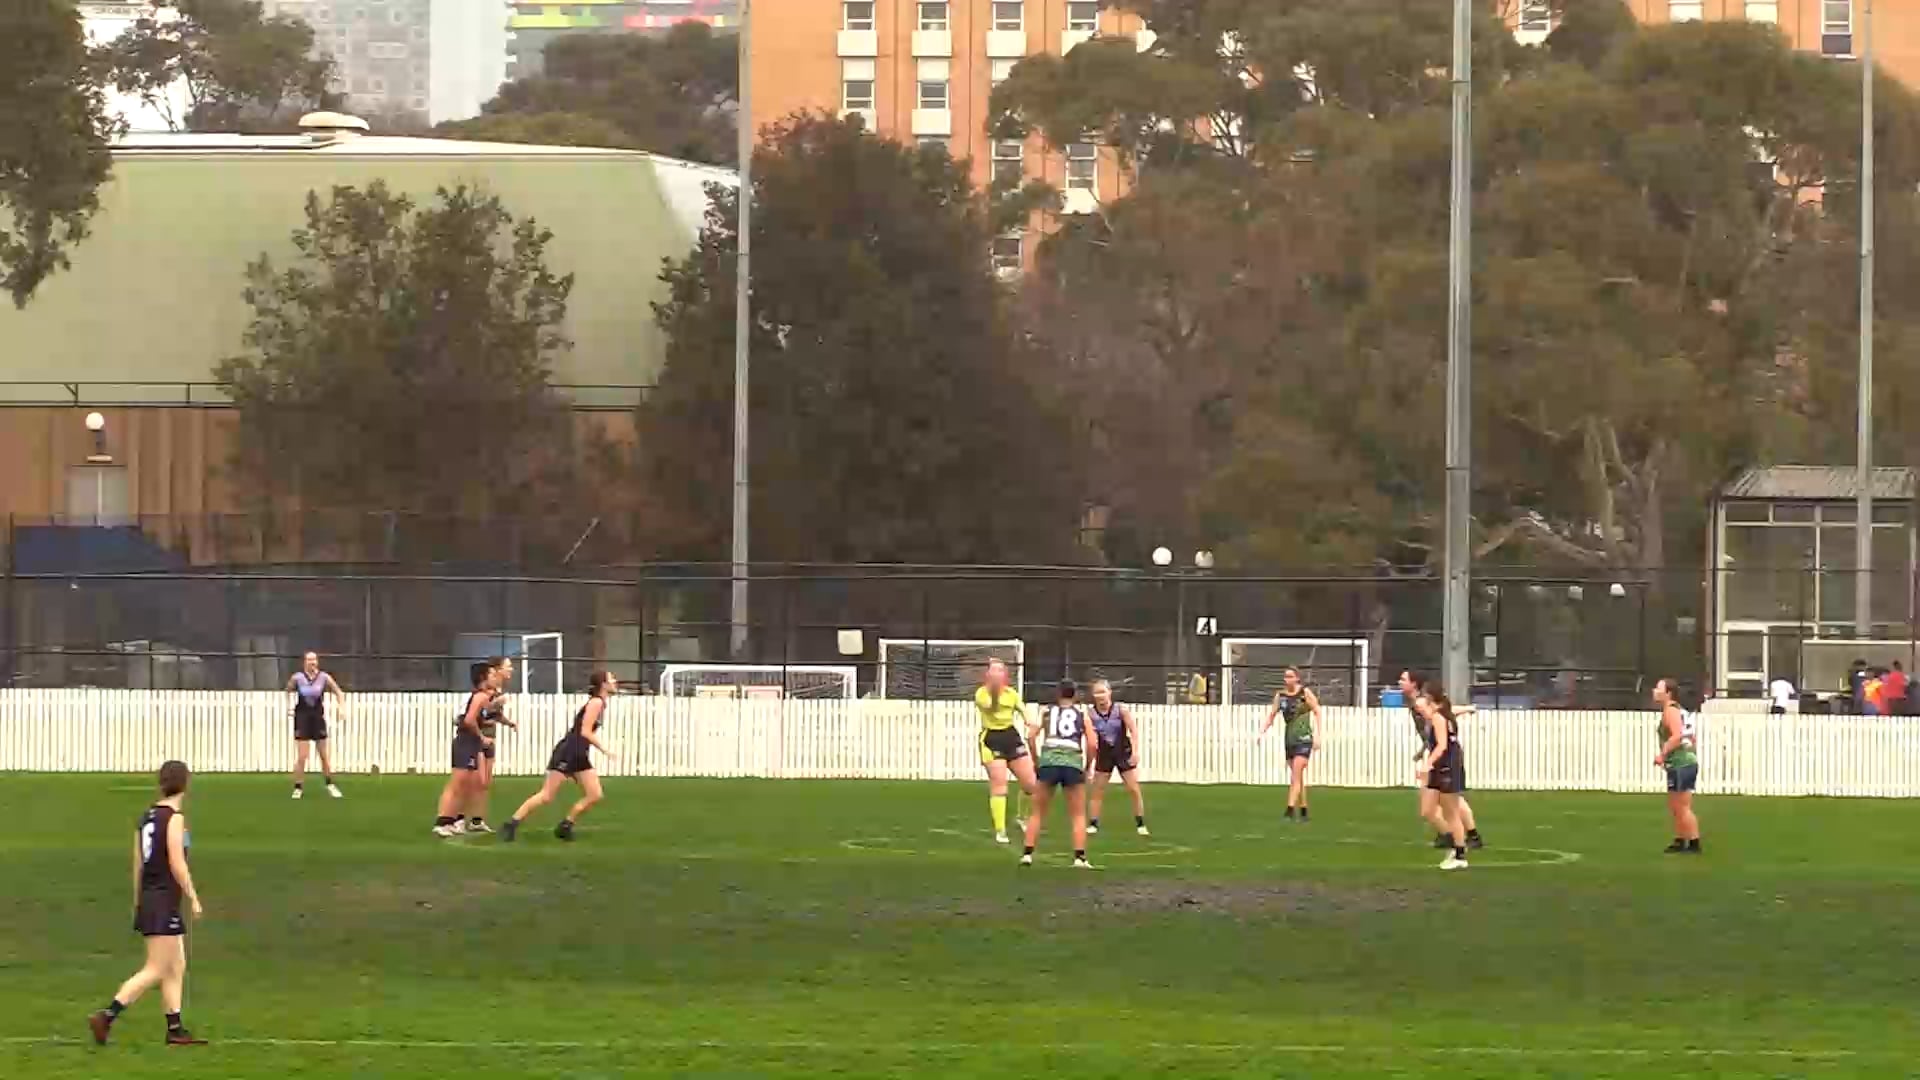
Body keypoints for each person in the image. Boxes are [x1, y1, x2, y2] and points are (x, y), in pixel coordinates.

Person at [89, 760, 207, 1047]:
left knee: (176, 964)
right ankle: (107, 1015)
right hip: (165, 899)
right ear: (186, 784)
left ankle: (175, 1028)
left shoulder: (146, 817)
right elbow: (177, 863)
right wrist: (193, 897)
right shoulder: (174, 818)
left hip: (152, 897)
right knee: (156, 967)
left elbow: (138, 864)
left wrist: (139, 901)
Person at [503, 671, 618, 842]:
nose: (615, 681)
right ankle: (512, 824)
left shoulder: (600, 703)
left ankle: (566, 826)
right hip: (569, 751)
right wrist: (605, 750)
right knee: (547, 795)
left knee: (595, 794)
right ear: (603, 684)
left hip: (579, 753)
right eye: (611, 679)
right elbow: (585, 731)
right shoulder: (596, 703)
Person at [1397, 671, 1483, 849]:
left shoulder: (1424, 703)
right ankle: (1453, 835)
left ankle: (1464, 837)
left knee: (1450, 801)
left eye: (1403, 680)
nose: (1399, 682)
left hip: (1443, 758)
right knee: (1442, 802)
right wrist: (1423, 751)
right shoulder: (1416, 704)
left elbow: (1446, 714)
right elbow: (1431, 732)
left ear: (1414, 684)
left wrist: (1467, 709)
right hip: (1435, 753)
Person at [1019, 679, 1096, 869]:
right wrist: (1087, 766)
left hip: (1049, 762)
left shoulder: (1046, 712)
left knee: (1037, 812)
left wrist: (1037, 759)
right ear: (1075, 695)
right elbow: (1093, 744)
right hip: (1072, 763)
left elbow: (1030, 736)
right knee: (1078, 814)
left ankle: (1027, 854)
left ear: (1057, 694)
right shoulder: (1082, 715)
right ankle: (1079, 857)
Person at [975, 658, 1038, 844]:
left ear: (1005, 674)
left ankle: (1021, 816)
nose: (996, 674)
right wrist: (994, 692)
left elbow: (1023, 711)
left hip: (1011, 737)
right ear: (987, 675)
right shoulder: (981, 694)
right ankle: (1000, 830)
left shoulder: (1012, 693)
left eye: (1000, 671)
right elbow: (992, 708)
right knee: (1000, 785)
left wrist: (1030, 722)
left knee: (1031, 784)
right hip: (991, 739)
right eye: (993, 671)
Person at [433, 660, 499, 838]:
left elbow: (475, 718)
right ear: (483, 678)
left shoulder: (482, 697)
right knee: (456, 784)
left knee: (466, 784)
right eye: (492, 674)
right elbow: (469, 720)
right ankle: (442, 822)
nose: (495, 677)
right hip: (465, 742)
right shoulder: (480, 697)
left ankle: (453, 820)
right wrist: (482, 736)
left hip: (470, 743)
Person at [1413, 691, 1470, 870]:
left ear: (1433, 704)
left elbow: (1442, 746)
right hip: (1440, 767)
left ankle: (1460, 854)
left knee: (1451, 812)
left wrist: (1427, 765)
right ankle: (1453, 840)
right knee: (1427, 810)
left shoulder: (1438, 718)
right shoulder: (1444, 715)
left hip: (1448, 767)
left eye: (1422, 708)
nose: (1419, 712)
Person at [1085, 678, 1148, 837]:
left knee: (1133, 788)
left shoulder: (1120, 710)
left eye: (1103, 692)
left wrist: (1135, 752)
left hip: (1122, 751)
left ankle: (1140, 823)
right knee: (1098, 789)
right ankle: (1093, 823)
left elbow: (1133, 731)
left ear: (1109, 693)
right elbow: (1089, 737)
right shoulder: (1091, 713)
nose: (1100, 696)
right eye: (1097, 692)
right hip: (1104, 753)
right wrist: (1089, 762)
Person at [463, 656, 518, 833]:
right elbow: (481, 712)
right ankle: (458, 817)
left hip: (490, 736)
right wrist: (495, 704)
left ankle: (477, 820)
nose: (511, 670)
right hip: (479, 737)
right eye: (508, 666)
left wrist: (508, 722)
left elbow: (493, 715)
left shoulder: (498, 689)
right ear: (496, 669)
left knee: (485, 782)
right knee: (475, 780)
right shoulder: (486, 690)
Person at [1259, 667, 1321, 822]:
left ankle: (1289, 810)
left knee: (1295, 775)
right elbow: (1271, 715)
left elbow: (1317, 710)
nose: (1288, 679)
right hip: (1289, 740)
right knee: (1297, 776)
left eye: (1291, 676)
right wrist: (1262, 732)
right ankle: (1304, 810)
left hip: (1304, 738)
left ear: (1297, 678)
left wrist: (1318, 736)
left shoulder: (1305, 693)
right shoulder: (1280, 697)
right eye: (1286, 677)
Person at [1651, 677, 1702, 854]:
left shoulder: (1671, 711)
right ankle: (1680, 839)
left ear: (1668, 693)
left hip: (1682, 763)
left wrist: (1662, 754)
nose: (1654, 691)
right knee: (1675, 805)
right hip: (1680, 763)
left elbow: (1676, 736)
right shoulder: (1675, 710)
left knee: (1682, 806)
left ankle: (1694, 843)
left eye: (1658, 689)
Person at [286, 652, 345, 800]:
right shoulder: (297, 678)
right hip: (302, 719)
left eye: (314, 659)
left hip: (317, 718)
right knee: (302, 756)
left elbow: (339, 692)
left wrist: (341, 708)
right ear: (304, 662)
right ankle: (298, 787)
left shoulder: (324, 677)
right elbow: (287, 691)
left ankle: (330, 784)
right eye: (309, 659)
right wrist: (289, 707)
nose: (312, 662)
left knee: (324, 756)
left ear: (317, 662)